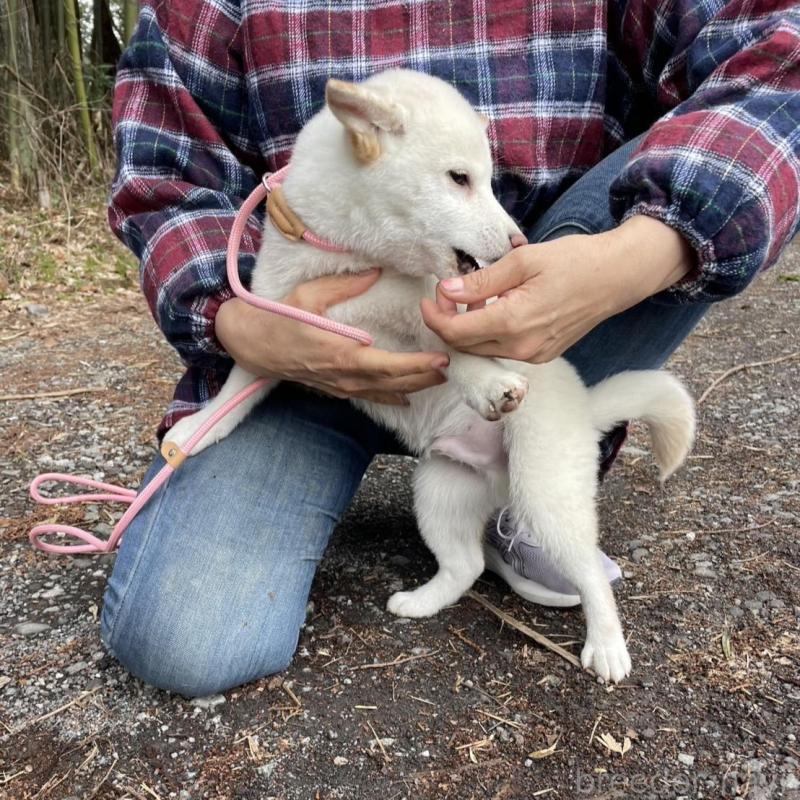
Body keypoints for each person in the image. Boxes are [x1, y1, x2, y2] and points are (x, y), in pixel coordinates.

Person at [103, 0, 800, 696]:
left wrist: (637, 258)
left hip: (541, 325)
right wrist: (236, 323)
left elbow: (781, 50)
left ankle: (522, 509)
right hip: (305, 360)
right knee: (185, 637)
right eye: (463, 182)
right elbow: (162, 178)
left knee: (545, 480)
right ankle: (465, 547)